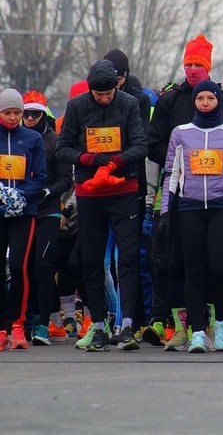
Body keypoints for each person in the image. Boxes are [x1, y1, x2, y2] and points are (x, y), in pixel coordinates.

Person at [147, 34, 223, 351]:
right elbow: (155, 145)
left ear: (209, 67)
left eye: (198, 64)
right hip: (180, 194)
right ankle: (186, 327)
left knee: (219, 265)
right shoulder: (170, 100)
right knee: (178, 264)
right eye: (188, 63)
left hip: (220, 198)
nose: (191, 69)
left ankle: (220, 325)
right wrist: (184, 163)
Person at [56, 60, 148, 351]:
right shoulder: (77, 106)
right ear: (90, 89)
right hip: (90, 191)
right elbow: (63, 148)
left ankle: (127, 325)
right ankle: (97, 325)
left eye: (109, 93)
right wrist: (89, 159)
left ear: (117, 86)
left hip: (123, 189)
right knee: (91, 258)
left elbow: (140, 146)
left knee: (129, 257)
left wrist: (117, 160)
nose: (105, 98)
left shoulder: (130, 104)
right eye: (99, 94)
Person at [22, 91, 73, 346]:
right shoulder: (14, 140)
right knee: (25, 268)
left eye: (35, 113)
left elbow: (66, 179)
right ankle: (27, 321)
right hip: (21, 211)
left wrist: (48, 191)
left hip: (48, 210)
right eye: (26, 113)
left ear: (44, 115)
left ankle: (43, 324)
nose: (29, 118)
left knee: (43, 267)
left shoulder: (55, 142)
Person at [0, 89, 47, 350]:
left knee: (19, 266)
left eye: (17, 112)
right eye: (8, 112)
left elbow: (40, 176)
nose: (14, 117)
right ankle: (1, 326)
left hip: (23, 211)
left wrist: (19, 194)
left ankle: (19, 324)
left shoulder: (32, 138)